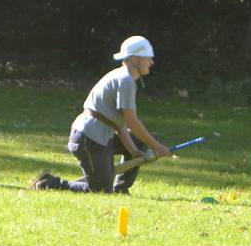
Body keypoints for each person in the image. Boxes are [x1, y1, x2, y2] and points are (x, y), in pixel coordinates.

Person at [31, 35, 170, 193]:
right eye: (148, 58)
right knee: (100, 190)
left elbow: (121, 126)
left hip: (102, 136)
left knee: (138, 142)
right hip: (89, 139)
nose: (152, 62)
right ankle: (50, 184)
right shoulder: (125, 81)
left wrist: (134, 151)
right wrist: (157, 147)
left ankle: (120, 189)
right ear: (134, 59)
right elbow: (132, 122)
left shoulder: (124, 78)